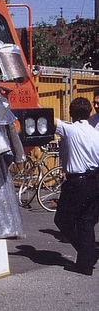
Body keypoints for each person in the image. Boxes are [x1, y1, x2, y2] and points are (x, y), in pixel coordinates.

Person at [53, 96, 99, 275]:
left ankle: (87, 254)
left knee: (63, 221)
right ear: (89, 114)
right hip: (94, 180)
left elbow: (49, 117)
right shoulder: (95, 133)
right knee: (86, 222)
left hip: (77, 182)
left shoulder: (69, 130)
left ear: (71, 114)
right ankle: (85, 263)